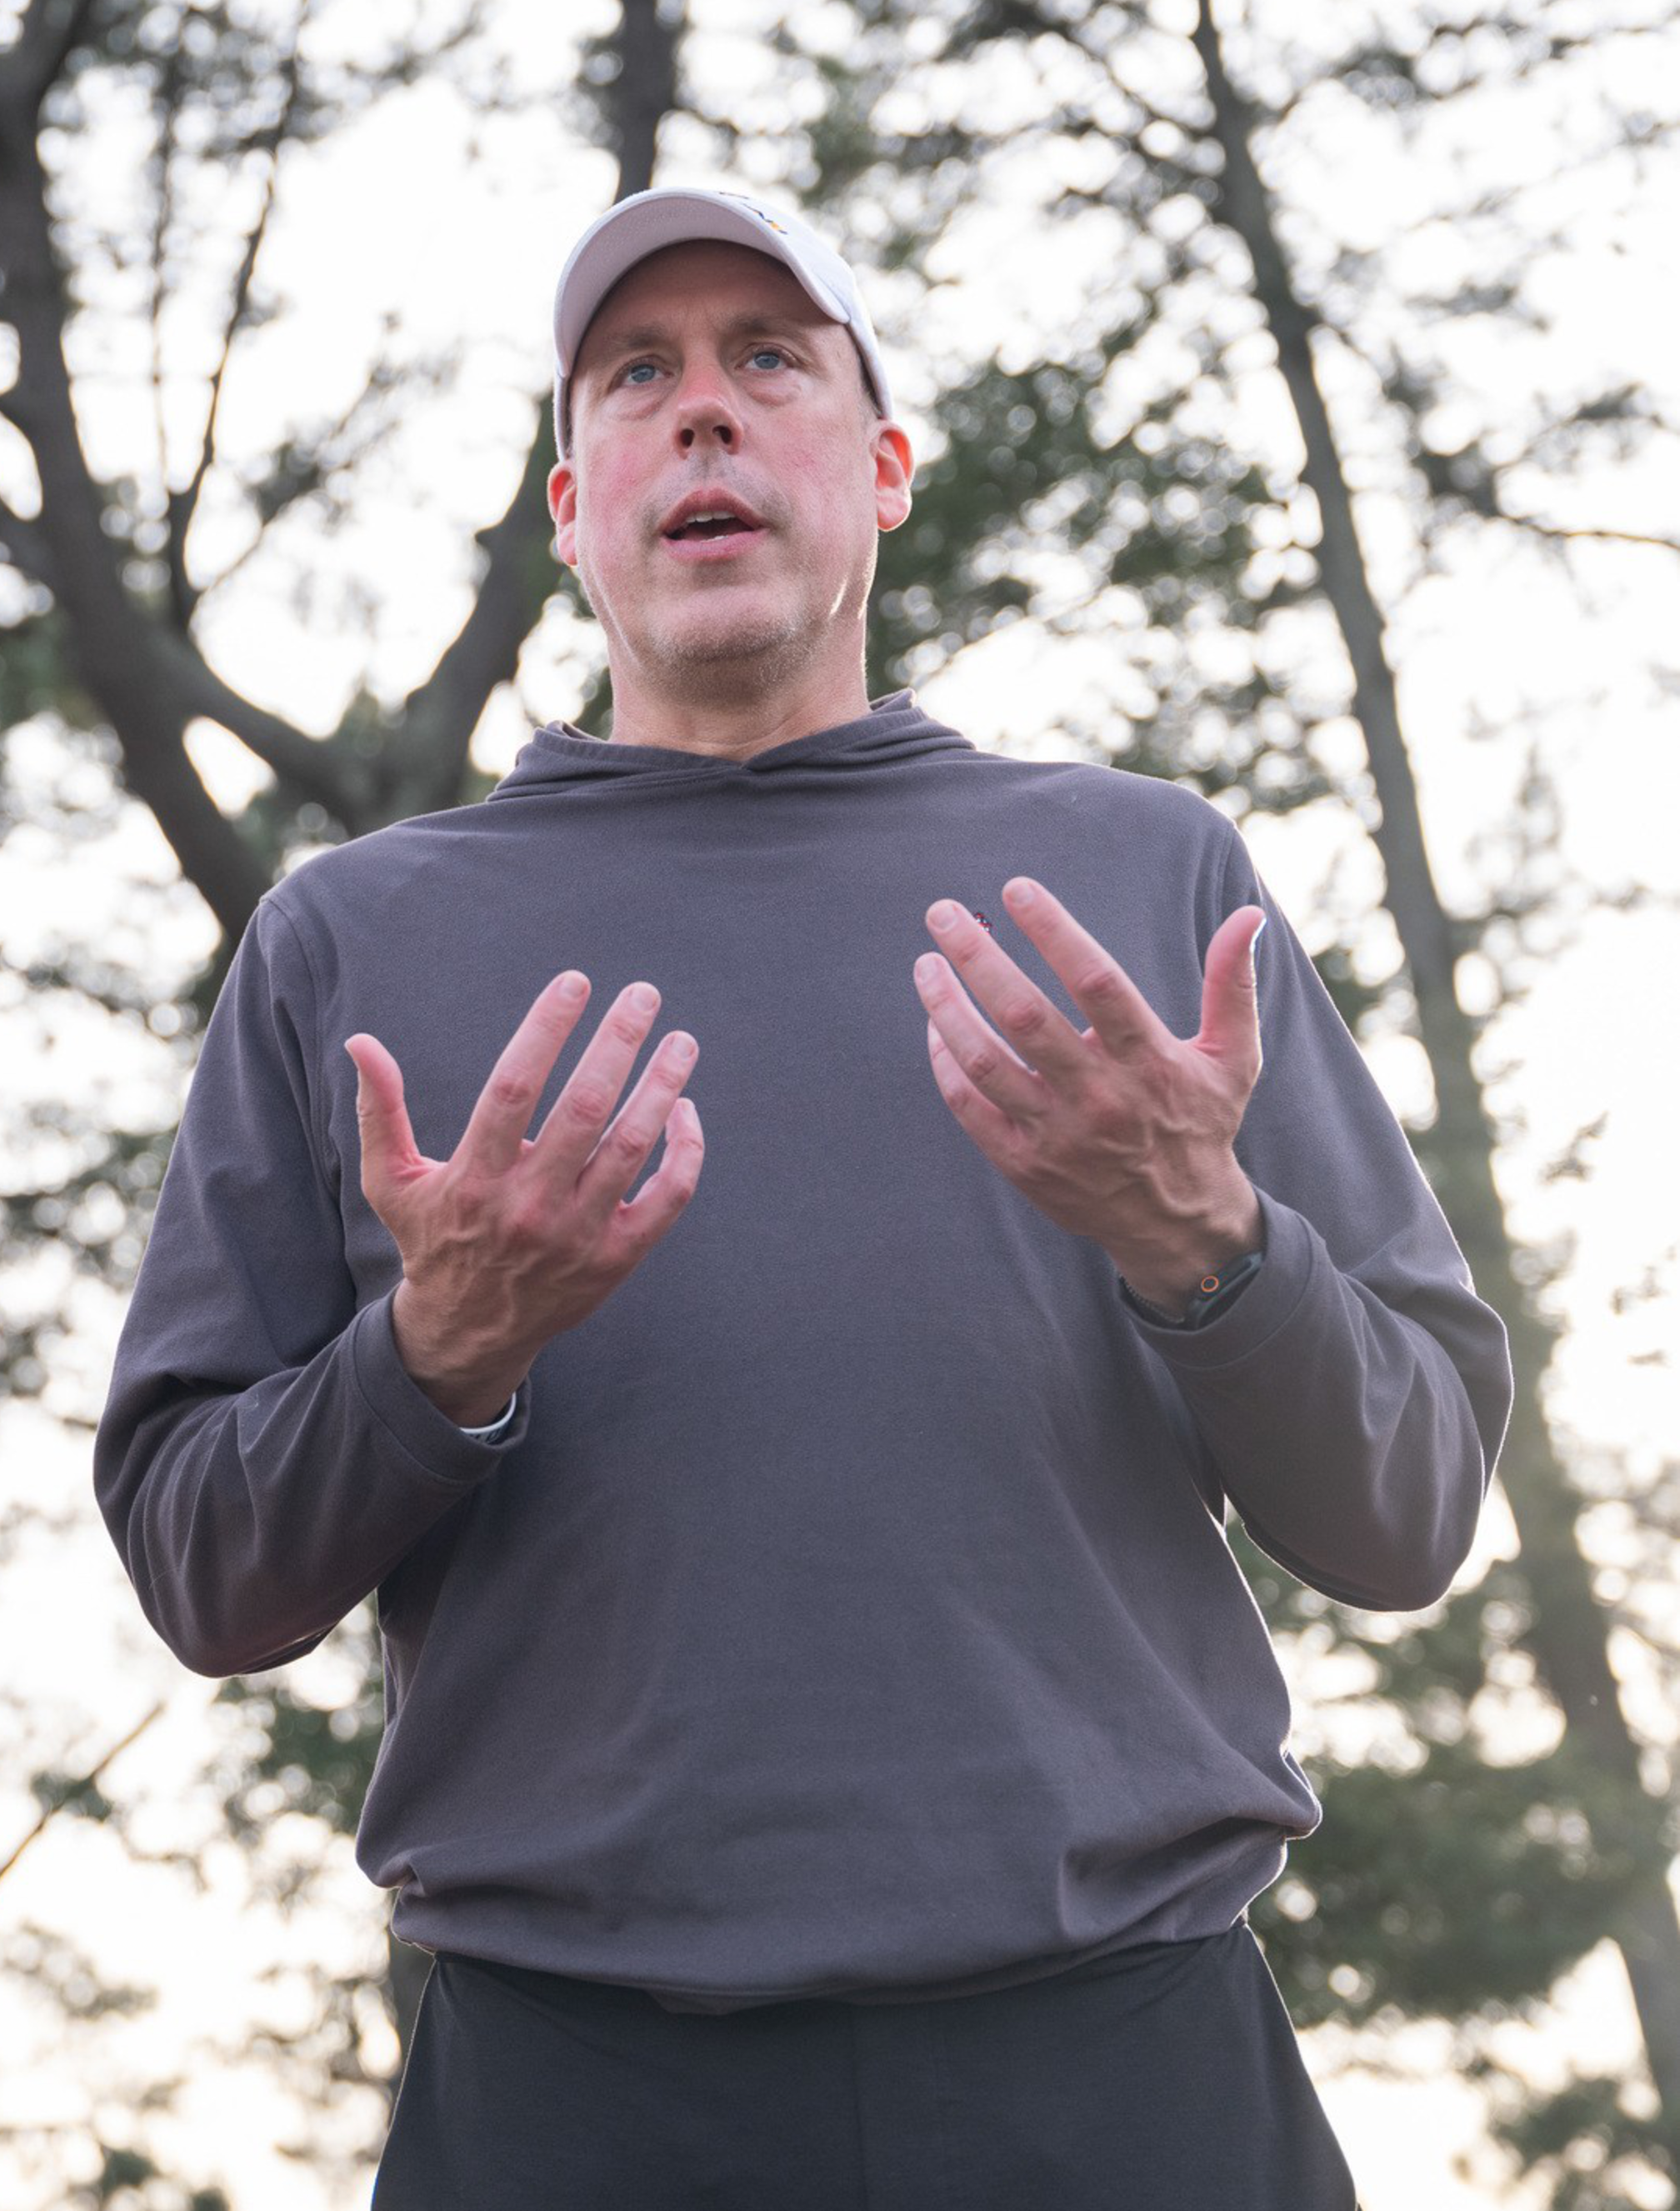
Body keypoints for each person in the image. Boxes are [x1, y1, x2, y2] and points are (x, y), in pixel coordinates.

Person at [95, 187, 1508, 2208]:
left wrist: (1212, 1248)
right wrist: (436, 1352)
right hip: (574, 2094)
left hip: (1125, 2069)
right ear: (577, 507)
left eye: (772, 359)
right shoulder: (350, 945)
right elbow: (201, 1566)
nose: (705, 415)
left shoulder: (1149, 887)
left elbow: (1413, 1505)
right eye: (640, 376)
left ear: (883, 465)